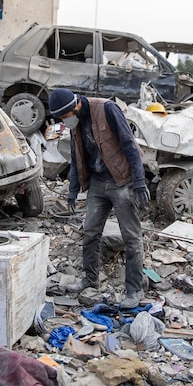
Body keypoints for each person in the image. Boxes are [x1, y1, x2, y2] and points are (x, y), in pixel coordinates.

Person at [48, 88, 150, 308]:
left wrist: (139, 181)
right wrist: (73, 190)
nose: (65, 122)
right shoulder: (75, 124)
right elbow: (77, 158)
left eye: (65, 117)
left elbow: (129, 144)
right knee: (91, 232)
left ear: (74, 107)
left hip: (122, 181)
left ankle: (134, 290)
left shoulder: (106, 108)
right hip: (97, 183)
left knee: (131, 237)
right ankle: (90, 278)